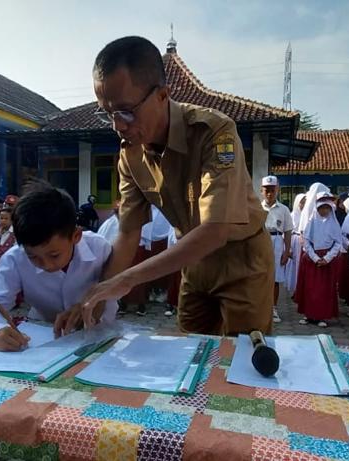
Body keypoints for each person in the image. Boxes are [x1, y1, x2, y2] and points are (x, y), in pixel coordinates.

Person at [77, 36, 274, 336]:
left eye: (126, 111)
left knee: (240, 361)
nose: (118, 125)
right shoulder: (130, 155)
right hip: (191, 262)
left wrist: (127, 280)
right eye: (108, 113)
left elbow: (215, 230)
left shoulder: (214, 132)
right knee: (189, 354)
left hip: (241, 259)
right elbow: (129, 232)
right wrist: (93, 302)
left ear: (162, 95)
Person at [0, 181, 116, 350]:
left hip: (101, 338)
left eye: (54, 255)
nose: (47, 265)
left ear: (76, 236)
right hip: (46, 339)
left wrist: (91, 307)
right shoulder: (15, 259)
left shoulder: (100, 249)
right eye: (33, 257)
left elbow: (116, 289)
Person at [294, 192, 342, 327]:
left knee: (324, 289)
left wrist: (327, 258)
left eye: (327, 208)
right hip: (312, 259)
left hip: (327, 261)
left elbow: (338, 243)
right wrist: (315, 258)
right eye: (322, 208)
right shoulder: (312, 222)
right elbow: (306, 242)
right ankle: (308, 314)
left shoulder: (334, 224)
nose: (324, 210)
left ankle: (321, 316)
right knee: (310, 288)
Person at [261, 175, 294, 323]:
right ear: (261, 190)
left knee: (275, 278)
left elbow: (287, 232)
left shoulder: (284, 209)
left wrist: (287, 251)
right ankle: (260, 308)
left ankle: (273, 309)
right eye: (266, 190)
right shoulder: (256, 207)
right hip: (261, 241)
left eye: (272, 190)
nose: (269, 193)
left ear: (277, 190)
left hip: (277, 241)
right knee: (260, 277)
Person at [283, 192, 306, 296]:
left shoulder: (307, 215)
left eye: (305, 202)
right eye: (301, 202)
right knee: (294, 266)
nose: (303, 205)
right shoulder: (292, 215)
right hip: (294, 241)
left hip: (304, 242)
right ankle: (295, 289)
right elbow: (287, 232)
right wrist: (289, 249)